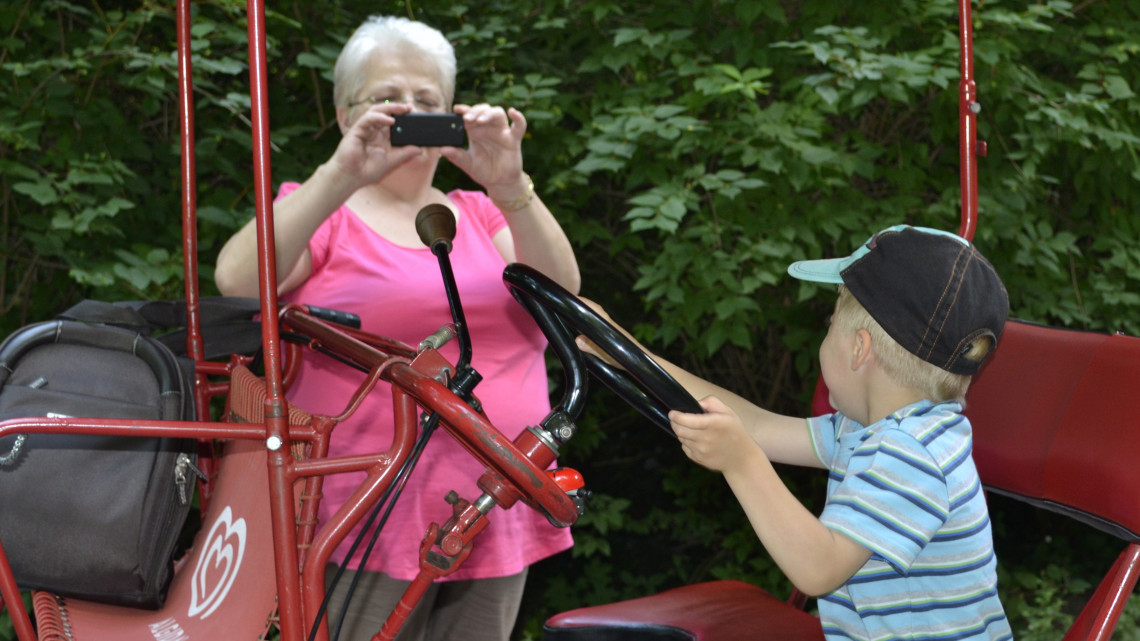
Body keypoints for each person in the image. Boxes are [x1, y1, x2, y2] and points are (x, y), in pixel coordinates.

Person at [214, 15, 578, 641]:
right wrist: (343, 173)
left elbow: (563, 296)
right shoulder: (322, 213)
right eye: (386, 99)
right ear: (343, 113)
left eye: (427, 102)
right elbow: (238, 282)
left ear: (453, 116)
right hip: (361, 512)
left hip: (496, 498)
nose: (407, 112)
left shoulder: (483, 211)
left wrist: (510, 183)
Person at [582, 225, 1012, 639]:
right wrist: (628, 352)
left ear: (860, 348)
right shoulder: (877, 429)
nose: (823, 335)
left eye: (830, 322)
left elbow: (818, 569)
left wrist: (741, 462)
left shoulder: (909, 452)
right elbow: (756, 425)